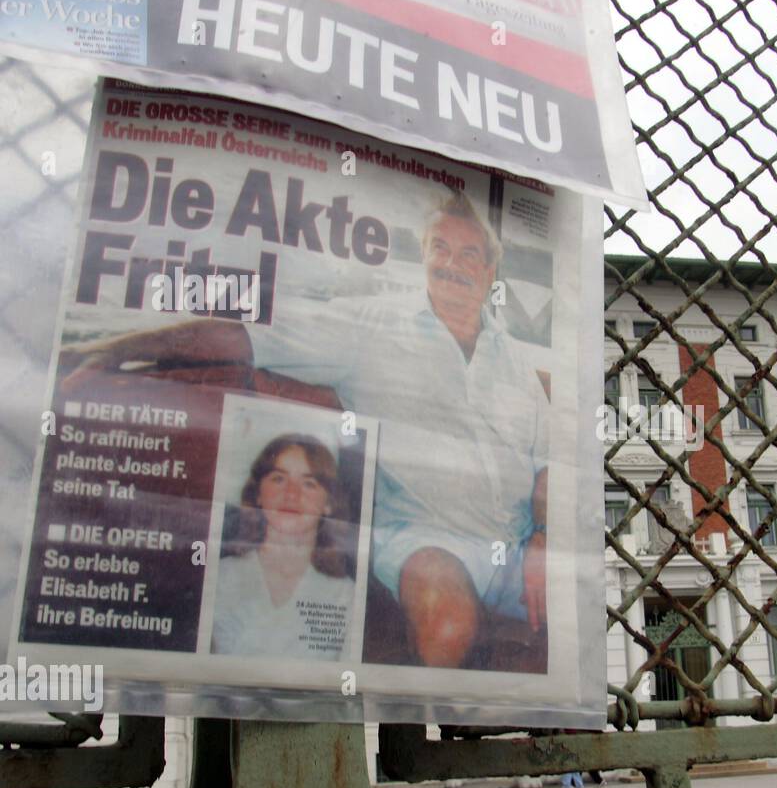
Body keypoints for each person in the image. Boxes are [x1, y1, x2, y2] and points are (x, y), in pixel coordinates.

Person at [62, 190, 548, 670]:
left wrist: (546, 538)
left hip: (524, 541)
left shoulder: (518, 362)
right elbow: (243, 338)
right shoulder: (370, 325)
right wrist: (117, 348)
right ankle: (453, 740)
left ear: (488, 273)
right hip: (426, 540)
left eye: (469, 253)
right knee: (446, 619)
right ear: (422, 255)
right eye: (440, 247)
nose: (451, 263)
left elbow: (548, 464)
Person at [211, 434, 354, 660]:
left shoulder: (346, 596)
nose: (291, 494)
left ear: (328, 503)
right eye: (278, 478)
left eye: (309, 483)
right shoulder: (218, 576)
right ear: (258, 493)